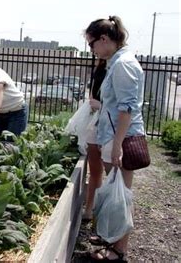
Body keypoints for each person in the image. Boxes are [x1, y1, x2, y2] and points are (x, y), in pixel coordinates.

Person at [86, 16, 145, 262]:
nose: (92, 50)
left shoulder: (123, 64)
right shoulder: (116, 61)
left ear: (104, 39)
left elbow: (126, 108)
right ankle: (111, 239)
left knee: (121, 194)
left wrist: (118, 144)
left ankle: (119, 250)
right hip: (113, 136)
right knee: (114, 192)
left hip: (122, 138)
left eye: (92, 45)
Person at [82, 58, 107, 221]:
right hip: (96, 121)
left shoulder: (119, 68)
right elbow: (92, 93)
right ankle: (90, 209)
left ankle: (104, 212)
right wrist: (94, 103)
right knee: (95, 170)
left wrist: (101, 105)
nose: (93, 49)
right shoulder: (99, 68)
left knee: (113, 173)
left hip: (110, 124)